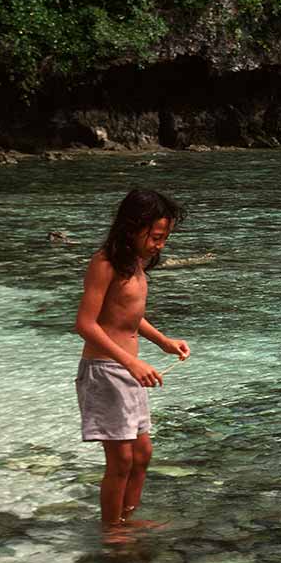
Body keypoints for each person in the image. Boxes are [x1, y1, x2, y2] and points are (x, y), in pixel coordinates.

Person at [74, 188, 191, 531]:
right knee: (121, 460)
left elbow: (129, 315)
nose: (161, 245)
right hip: (106, 372)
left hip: (128, 372)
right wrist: (131, 362)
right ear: (132, 227)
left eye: (165, 238)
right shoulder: (105, 262)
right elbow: (85, 324)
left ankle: (127, 518)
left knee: (142, 455)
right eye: (156, 236)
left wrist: (163, 343)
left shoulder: (135, 265)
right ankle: (112, 531)